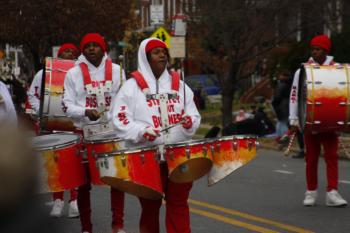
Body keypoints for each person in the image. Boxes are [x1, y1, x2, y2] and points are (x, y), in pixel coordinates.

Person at [110, 38, 201, 233]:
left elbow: (194, 114)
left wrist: (189, 122)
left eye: (163, 51)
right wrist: (141, 131)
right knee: (150, 207)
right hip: (147, 158)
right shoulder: (131, 87)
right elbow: (119, 118)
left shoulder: (180, 85)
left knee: (178, 204)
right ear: (145, 57)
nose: (162, 55)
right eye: (156, 52)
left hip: (178, 156)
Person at [63, 33, 126, 233]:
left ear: (103, 48)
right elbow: (67, 104)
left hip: (111, 133)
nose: (91, 49)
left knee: (116, 180)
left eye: (95, 45)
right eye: (87, 46)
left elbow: (126, 100)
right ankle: (86, 228)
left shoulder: (117, 71)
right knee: (83, 184)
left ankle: (118, 225)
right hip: (84, 132)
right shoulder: (73, 74)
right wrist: (84, 112)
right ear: (83, 50)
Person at [289, 34, 347, 207]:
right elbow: (294, 95)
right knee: (311, 158)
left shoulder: (338, 69)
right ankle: (311, 191)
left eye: (318, 49)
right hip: (309, 120)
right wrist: (293, 118)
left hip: (329, 121)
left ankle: (332, 192)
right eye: (313, 49)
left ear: (326, 50)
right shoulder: (303, 70)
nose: (314, 52)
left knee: (332, 157)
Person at [27, 43, 80, 218]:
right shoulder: (44, 73)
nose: (69, 53)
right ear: (59, 53)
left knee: (72, 163)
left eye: (73, 52)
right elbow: (32, 95)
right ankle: (57, 201)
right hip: (52, 124)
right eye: (66, 51)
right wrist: (42, 113)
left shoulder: (80, 73)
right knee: (54, 165)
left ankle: (74, 201)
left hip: (73, 124)